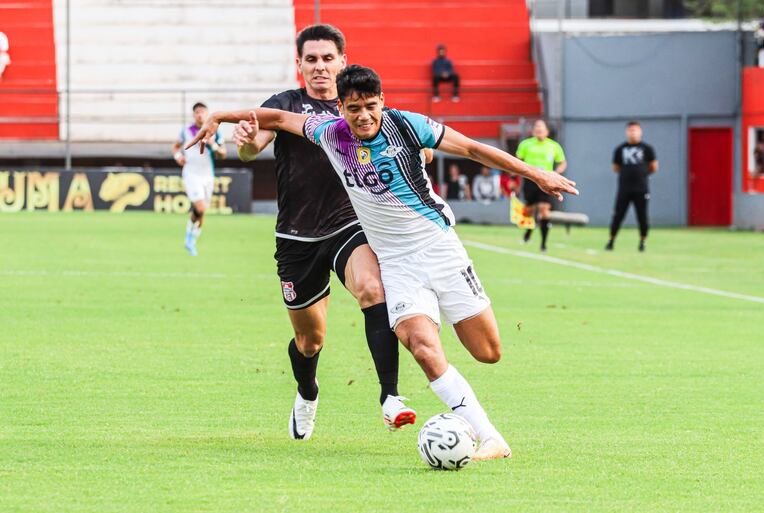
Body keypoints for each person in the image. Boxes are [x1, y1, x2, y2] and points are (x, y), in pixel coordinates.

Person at [188, 64, 579, 460]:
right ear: (340, 107)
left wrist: (534, 173)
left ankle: (455, 375)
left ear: (382, 102)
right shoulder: (328, 133)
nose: (363, 116)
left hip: (441, 249)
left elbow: (474, 149)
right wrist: (219, 117)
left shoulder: (409, 126)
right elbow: (276, 118)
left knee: (487, 351)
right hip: (396, 264)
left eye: (371, 106)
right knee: (422, 347)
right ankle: (489, 436)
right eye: (354, 108)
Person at [230, 25, 414, 441]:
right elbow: (251, 146)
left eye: (327, 58)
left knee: (372, 288)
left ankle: (391, 397)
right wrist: (243, 141)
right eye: (311, 59)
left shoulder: (357, 106)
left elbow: (398, 138)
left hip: (349, 225)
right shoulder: (284, 104)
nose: (319, 67)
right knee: (310, 340)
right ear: (299, 65)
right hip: (296, 237)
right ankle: (307, 391)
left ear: (342, 61)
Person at [172, 102, 226, 256]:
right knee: (200, 207)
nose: (200, 115)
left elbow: (223, 154)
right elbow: (175, 146)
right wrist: (178, 156)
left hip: (207, 175)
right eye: (197, 112)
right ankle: (189, 236)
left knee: (202, 211)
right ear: (193, 114)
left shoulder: (215, 131)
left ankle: (191, 239)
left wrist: (213, 145)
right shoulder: (186, 131)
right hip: (191, 173)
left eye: (202, 112)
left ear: (207, 114)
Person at [605, 121, 658, 252]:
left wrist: (642, 174)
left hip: (641, 189)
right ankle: (611, 240)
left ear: (640, 132)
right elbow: (616, 167)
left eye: (635, 130)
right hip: (624, 189)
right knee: (618, 215)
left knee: (642, 216)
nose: (633, 132)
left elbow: (653, 167)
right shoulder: (620, 149)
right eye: (630, 130)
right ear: (626, 132)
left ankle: (642, 241)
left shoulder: (647, 149)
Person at [515, 120, 567, 252]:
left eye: (541, 128)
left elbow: (562, 163)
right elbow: (516, 161)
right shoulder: (526, 144)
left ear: (547, 131)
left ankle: (543, 244)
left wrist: (555, 173)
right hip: (530, 181)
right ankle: (528, 232)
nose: (539, 130)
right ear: (533, 131)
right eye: (536, 127)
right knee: (530, 211)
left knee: (544, 210)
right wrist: (513, 178)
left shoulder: (554, 146)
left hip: (546, 181)